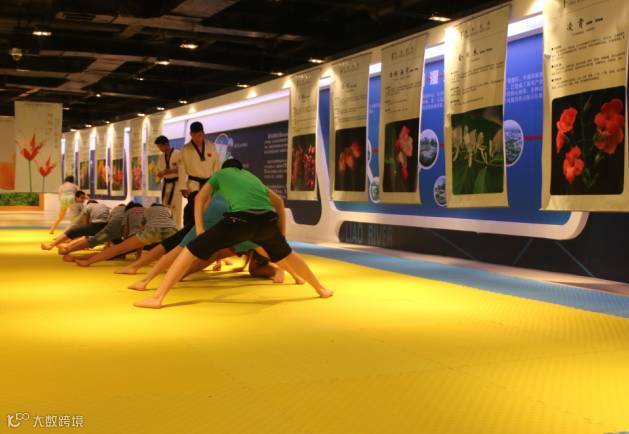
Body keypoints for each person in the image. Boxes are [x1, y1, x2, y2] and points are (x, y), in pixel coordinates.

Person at [134, 158, 332, 309]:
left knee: (189, 251)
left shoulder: (220, 175)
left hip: (240, 220)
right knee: (289, 254)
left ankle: (157, 297)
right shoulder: (251, 177)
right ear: (240, 168)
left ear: (224, 168)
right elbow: (278, 201)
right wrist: (281, 233)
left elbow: (200, 199)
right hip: (267, 221)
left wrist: (200, 229)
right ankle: (321, 289)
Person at [75, 203, 177, 267]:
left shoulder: (146, 210)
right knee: (177, 251)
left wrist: (128, 239)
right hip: (171, 229)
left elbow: (141, 227)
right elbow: (171, 222)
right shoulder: (166, 211)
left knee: (119, 248)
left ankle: (88, 262)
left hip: (152, 229)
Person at [59, 203, 126, 257]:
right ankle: (121, 253)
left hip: (112, 228)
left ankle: (68, 249)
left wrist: (108, 244)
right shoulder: (123, 210)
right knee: (119, 243)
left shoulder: (116, 209)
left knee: (95, 240)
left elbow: (109, 225)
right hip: (120, 229)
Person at [41, 199, 109, 251]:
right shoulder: (104, 205)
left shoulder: (88, 206)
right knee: (92, 238)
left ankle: (51, 245)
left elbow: (86, 223)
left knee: (72, 232)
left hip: (97, 224)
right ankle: (67, 246)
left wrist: (85, 233)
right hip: (106, 226)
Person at [178, 121, 220, 199]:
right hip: (193, 185)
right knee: (193, 205)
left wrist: (216, 182)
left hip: (208, 183)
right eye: (194, 135)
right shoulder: (185, 149)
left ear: (203, 133)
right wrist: (182, 187)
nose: (197, 138)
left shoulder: (211, 146)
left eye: (199, 135)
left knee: (208, 206)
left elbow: (216, 165)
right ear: (190, 134)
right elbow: (181, 169)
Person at [154, 135, 183, 226]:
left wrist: (170, 171)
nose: (160, 149)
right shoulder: (161, 157)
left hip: (176, 184)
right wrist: (159, 174)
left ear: (166, 144)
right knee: (165, 208)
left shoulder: (178, 154)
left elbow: (183, 169)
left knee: (176, 209)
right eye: (158, 147)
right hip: (165, 184)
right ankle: (167, 228)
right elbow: (159, 171)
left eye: (160, 146)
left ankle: (177, 230)